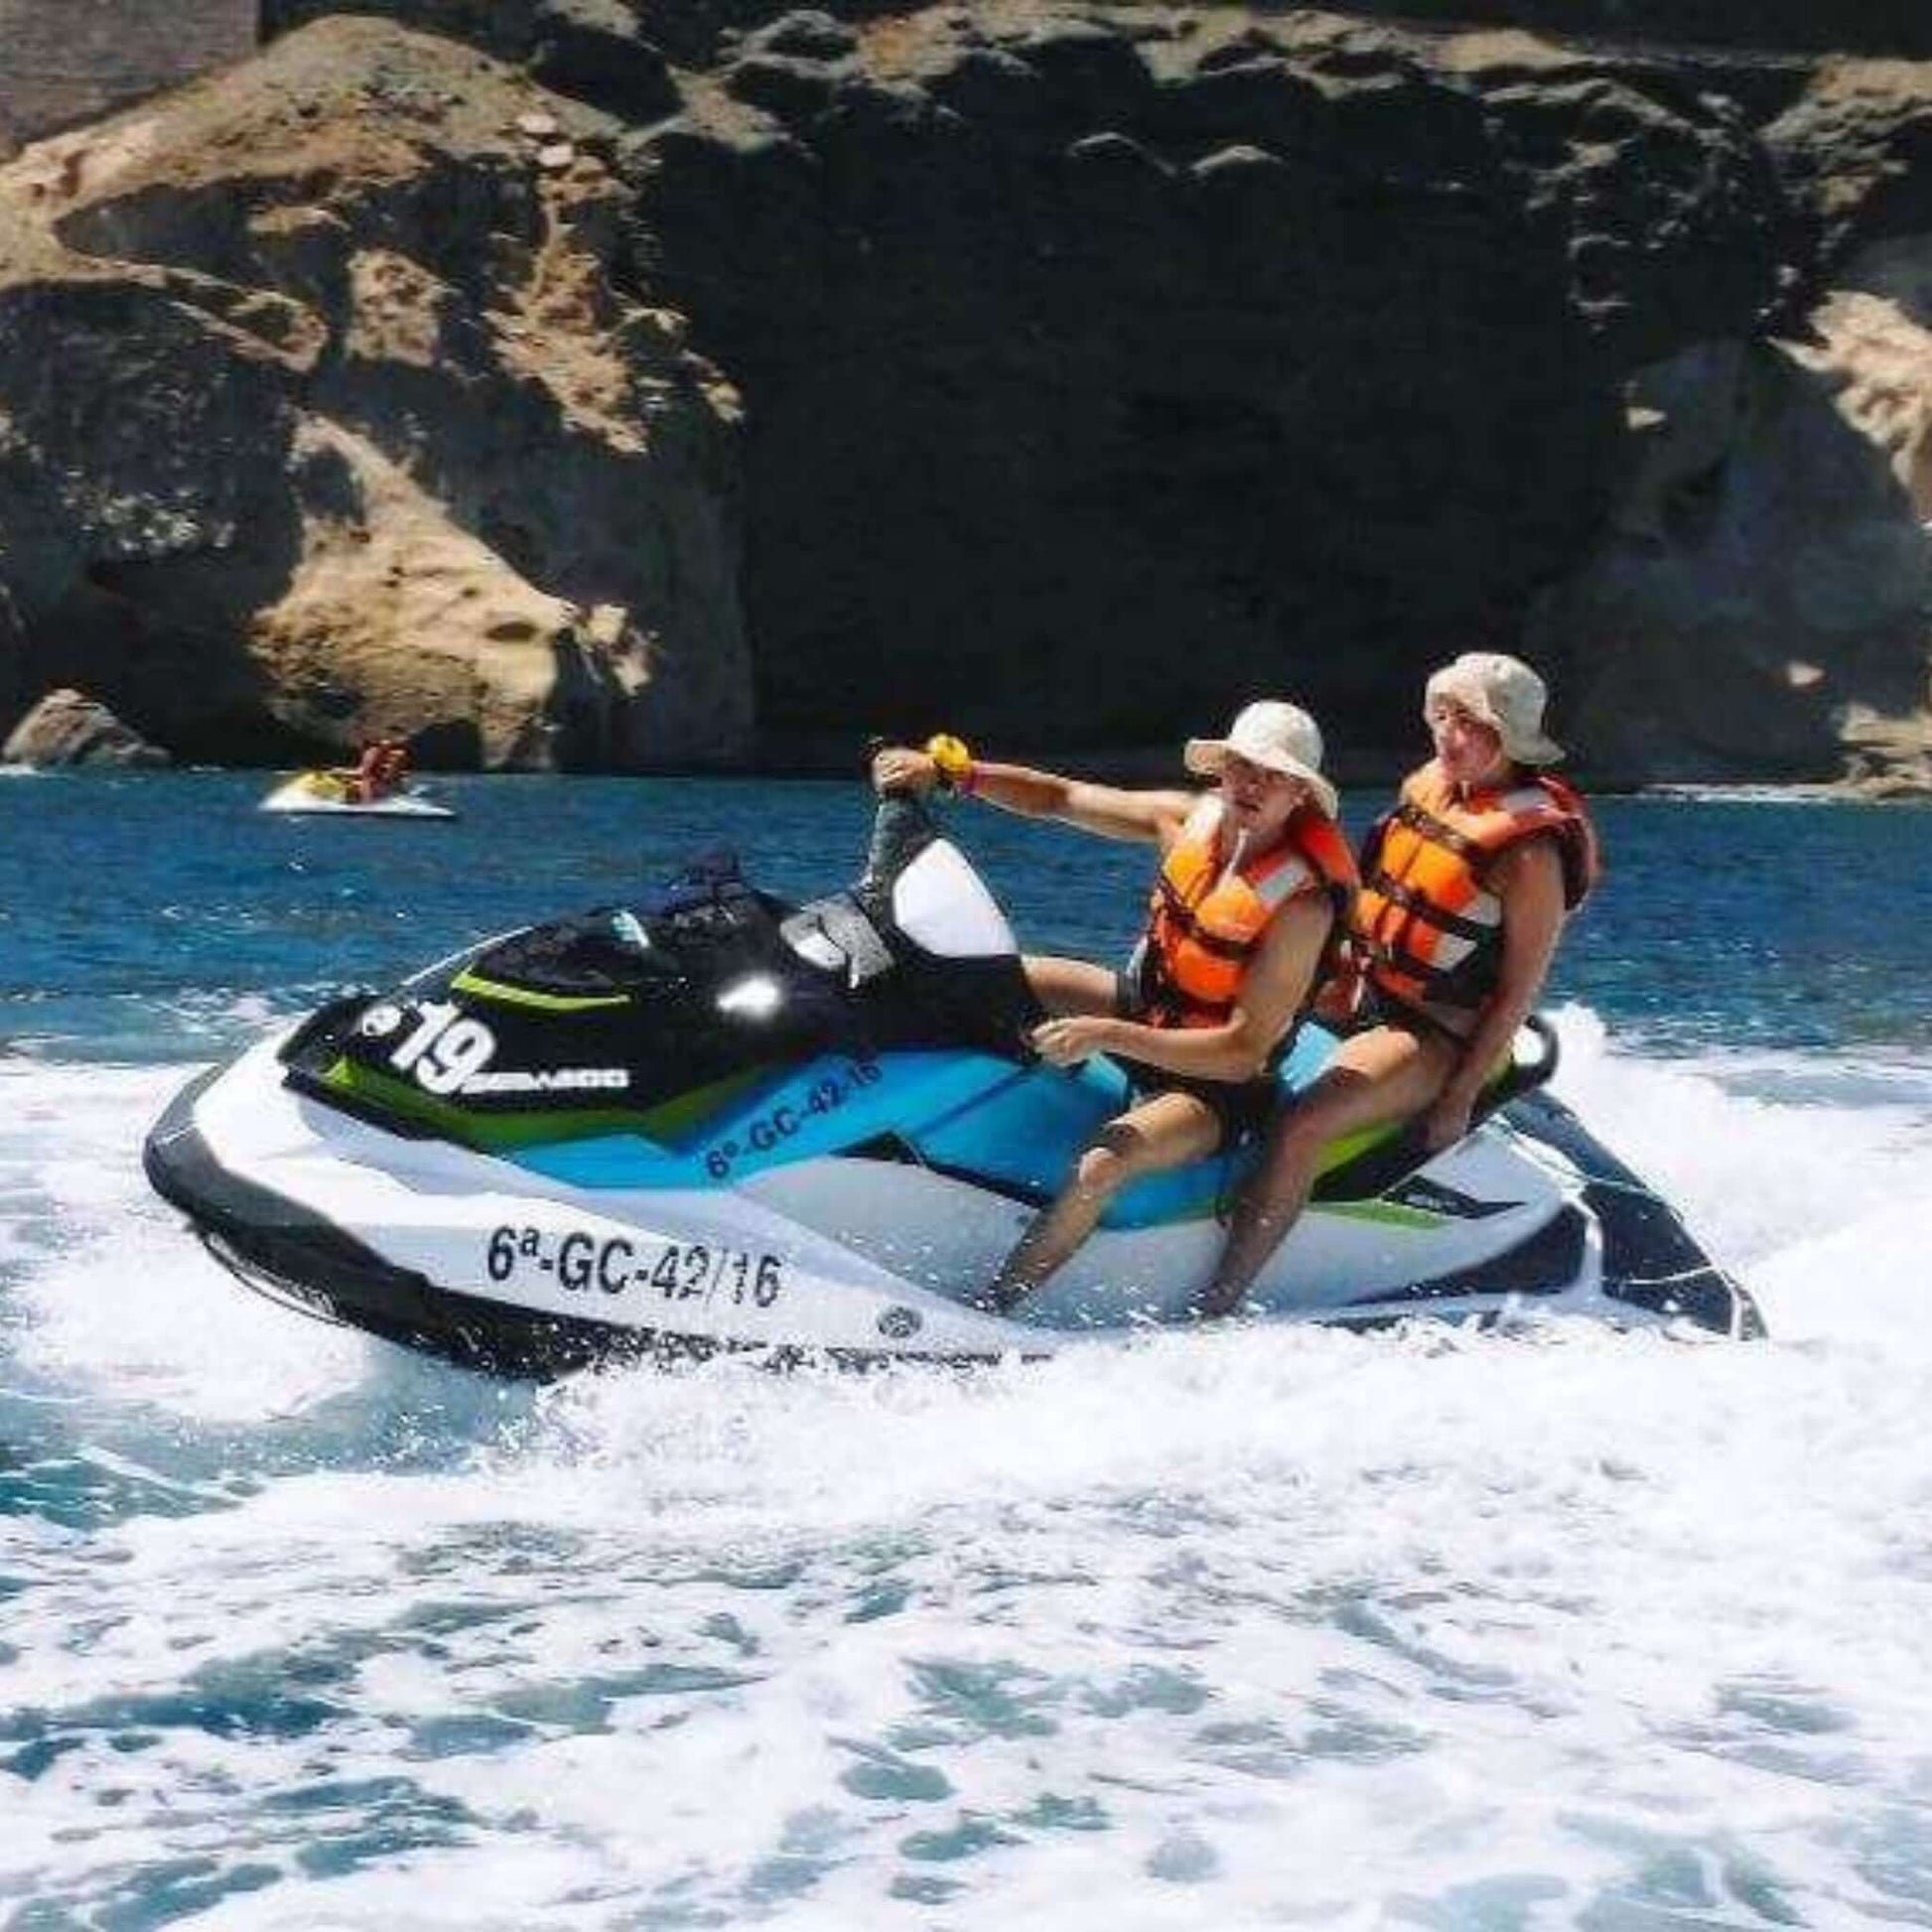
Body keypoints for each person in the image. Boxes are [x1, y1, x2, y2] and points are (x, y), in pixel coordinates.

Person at [872, 701, 1356, 1314]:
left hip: (1216, 1086)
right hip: (1146, 1010)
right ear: (1222, 769)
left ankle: (992, 1311)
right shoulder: (1186, 821)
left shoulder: (1301, 907)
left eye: (1276, 775)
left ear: (1301, 796)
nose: (1254, 784)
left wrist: (1106, 1035)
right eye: (1243, 766)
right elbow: (1061, 798)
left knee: (1105, 1161)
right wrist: (954, 776)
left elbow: (1241, 1052)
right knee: (993, 976)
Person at [1193, 651, 1599, 1318]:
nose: (1450, 734)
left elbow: (1517, 990)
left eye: (1471, 722)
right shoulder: (1432, 787)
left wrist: (1458, 1099)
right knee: (1223, 1027)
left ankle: (1219, 1301)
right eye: (1444, 715)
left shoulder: (1530, 854)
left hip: (1440, 1036)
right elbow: (1372, 896)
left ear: (1510, 739)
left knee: (1302, 1124)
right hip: (1368, 997)